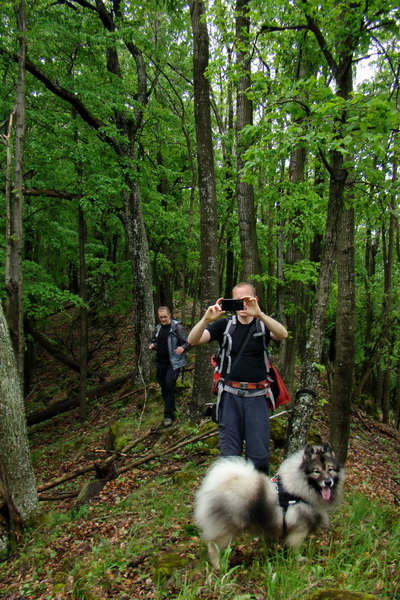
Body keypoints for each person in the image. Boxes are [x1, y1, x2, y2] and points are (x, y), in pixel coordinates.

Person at [188, 282, 288, 474]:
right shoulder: (224, 326)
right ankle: (231, 500)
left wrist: (259, 314)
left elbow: (282, 334)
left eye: (247, 300)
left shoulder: (262, 325)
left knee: (259, 457)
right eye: (238, 300)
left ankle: (257, 500)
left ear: (255, 300)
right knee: (229, 458)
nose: (243, 305)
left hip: (257, 397)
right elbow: (192, 340)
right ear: (231, 302)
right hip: (230, 397)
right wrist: (206, 319)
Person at [149, 306, 190, 427]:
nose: (163, 319)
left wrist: (182, 347)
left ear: (169, 315)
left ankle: (168, 415)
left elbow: (187, 342)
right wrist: (153, 345)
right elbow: (156, 341)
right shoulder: (158, 328)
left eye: (165, 317)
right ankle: (171, 406)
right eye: (161, 317)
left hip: (174, 362)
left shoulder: (177, 327)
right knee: (163, 386)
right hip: (161, 362)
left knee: (169, 384)